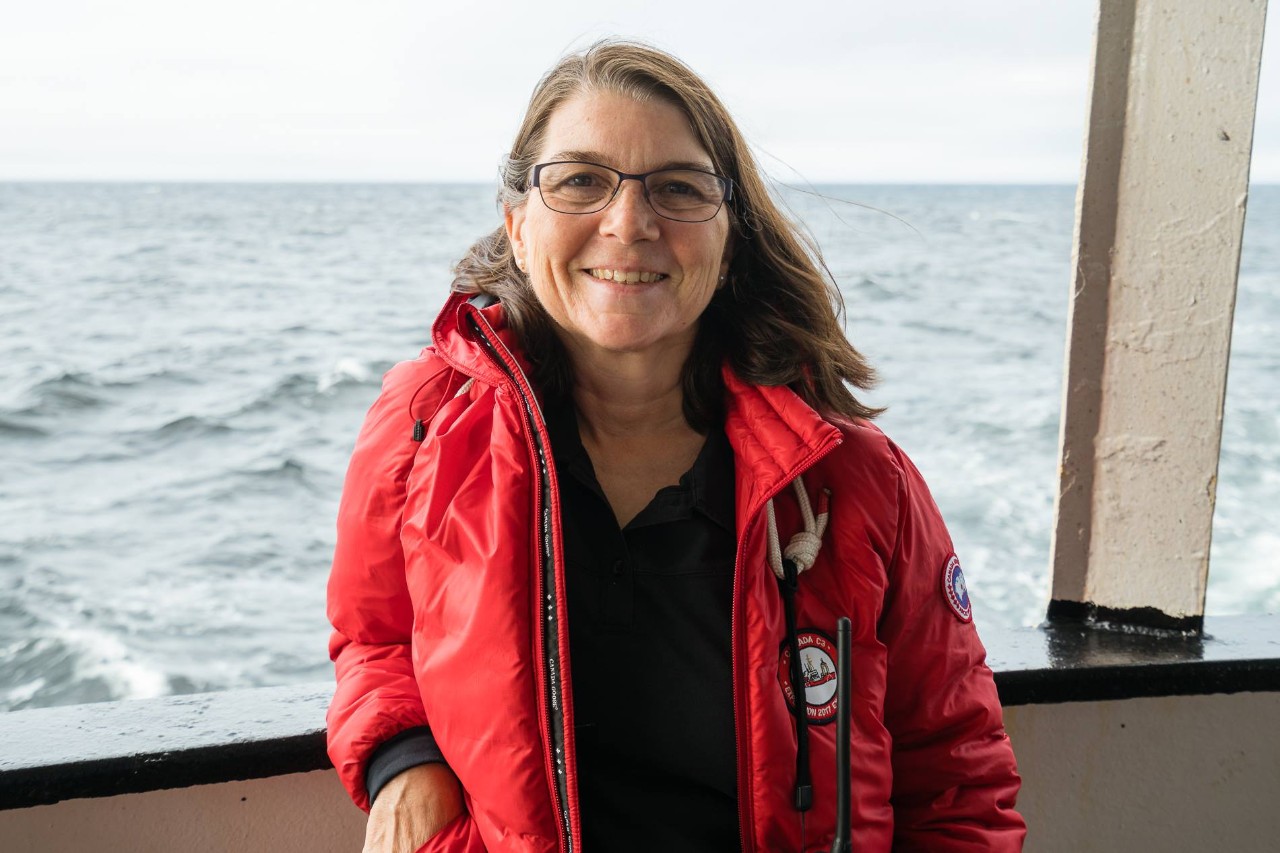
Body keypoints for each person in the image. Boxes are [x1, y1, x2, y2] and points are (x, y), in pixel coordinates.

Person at [326, 40, 1025, 853]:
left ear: (729, 242)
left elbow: (956, 778)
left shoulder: (857, 479)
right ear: (517, 225)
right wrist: (404, 754)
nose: (629, 222)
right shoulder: (426, 421)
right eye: (580, 180)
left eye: (679, 188)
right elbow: (374, 635)